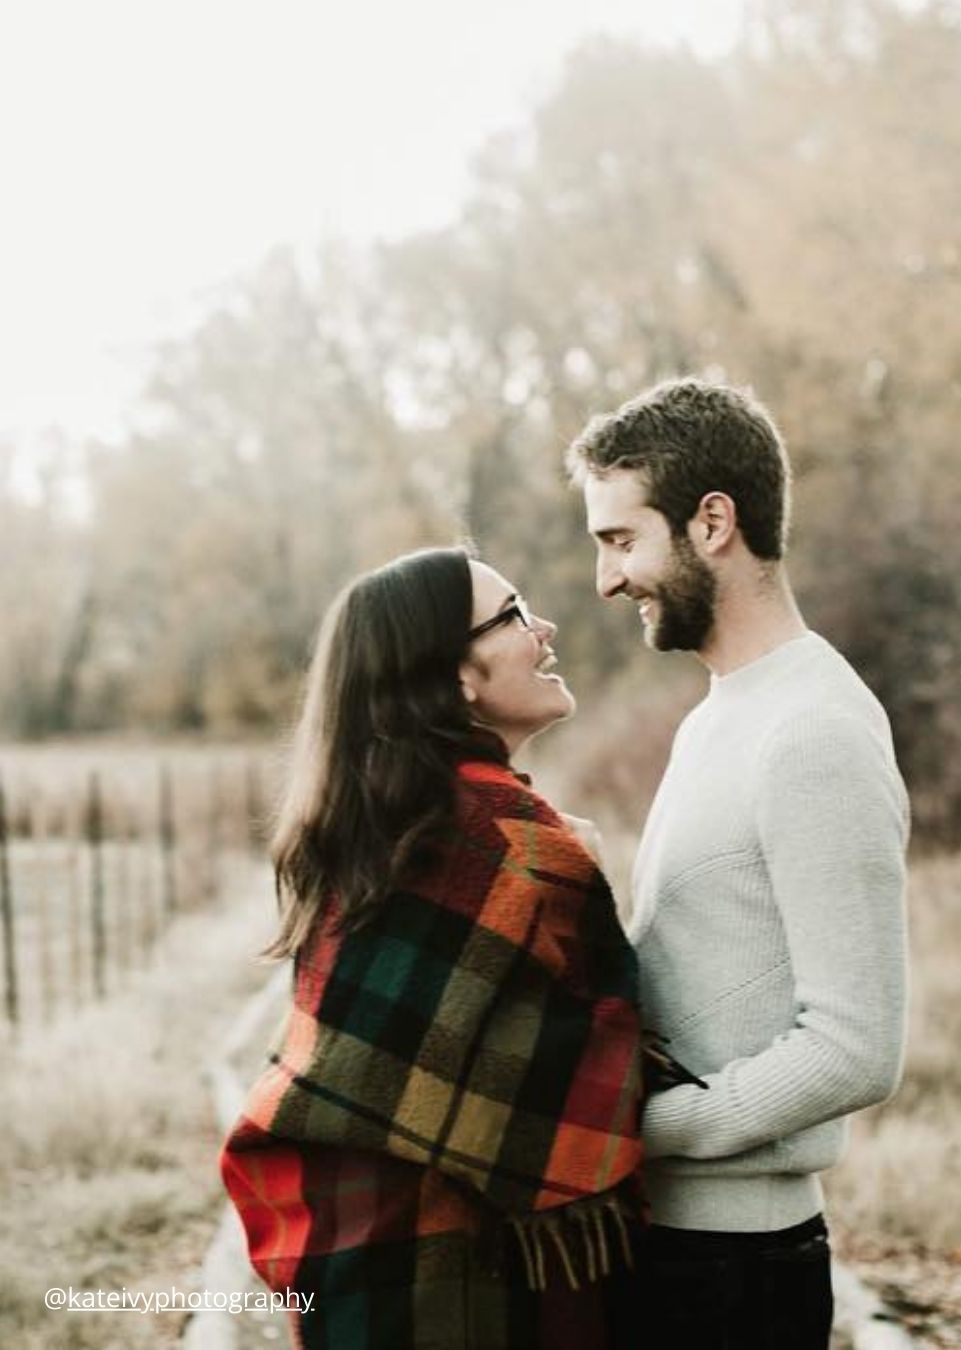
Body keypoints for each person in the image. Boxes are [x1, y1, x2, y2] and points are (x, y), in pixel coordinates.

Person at [220, 547, 646, 1350]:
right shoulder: (517, 845)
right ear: (457, 678)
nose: (544, 627)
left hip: (354, 1270)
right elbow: (597, 1072)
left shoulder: (379, 827)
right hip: (467, 1282)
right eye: (515, 615)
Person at [566, 378, 910, 1349]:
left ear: (713, 521)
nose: (606, 580)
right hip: (666, 1248)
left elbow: (855, 1044)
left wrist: (638, 1129)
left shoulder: (813, 730)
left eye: (620, 540)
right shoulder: (720, 714)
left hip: (735, 1277)